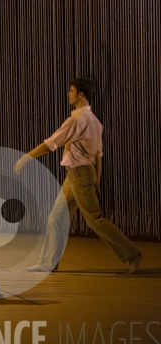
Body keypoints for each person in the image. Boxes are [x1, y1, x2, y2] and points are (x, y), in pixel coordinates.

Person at [14, 78, 142, 273]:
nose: (69, 94)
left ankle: (131, 255)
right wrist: (96, 181)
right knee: (56, 218)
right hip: (78, 175)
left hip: (81, 175)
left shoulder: (78, 120)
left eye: (72, 91)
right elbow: (98, 156)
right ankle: (48, 263)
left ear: (81, 95)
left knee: (94, 219)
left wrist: (24, 159)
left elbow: (51, 144)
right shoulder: (95, 121)